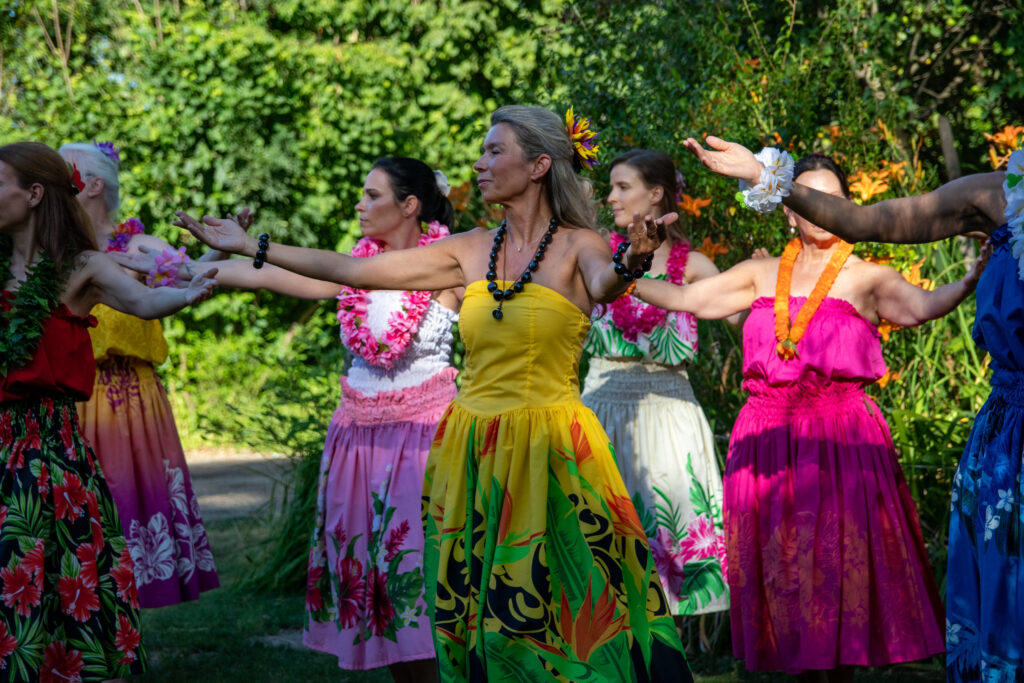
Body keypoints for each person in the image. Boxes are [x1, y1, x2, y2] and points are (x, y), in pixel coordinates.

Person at [174, 105, 692, 682]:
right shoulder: (469, 249)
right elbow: (352, 270)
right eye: (484, 150)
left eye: (496, 151)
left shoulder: (581, 246)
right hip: (472, 448)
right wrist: (252, 245)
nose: (480, 163)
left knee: (571, 602)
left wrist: (635, 255)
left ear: (540, 165)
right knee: (477, 612)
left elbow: (606, 282)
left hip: (551, 447)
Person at [635, 153, 988, 680]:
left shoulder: (866, 277)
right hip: (765, 444)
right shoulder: (759, 274)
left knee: (837, 580)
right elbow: (687, 298)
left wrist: (967, 282)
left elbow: (923, 305)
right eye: (809, 199)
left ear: (846, 209)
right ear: (788, 211)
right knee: (787, 584)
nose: (821, 211)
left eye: (833, 200)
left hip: (841, 440)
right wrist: (623, 271)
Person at [118, 157, 460, 682]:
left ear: (410, 205)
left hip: (424, 439)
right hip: (358, 440)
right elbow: (266, 276)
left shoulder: (448, 267)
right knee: (378, 586)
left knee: (422, 574)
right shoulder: (354, 268)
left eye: (372, 195)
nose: (359, 204)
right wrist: (195, 265)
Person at [0, 141, 216, 680]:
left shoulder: (81, 267)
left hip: (49, 454)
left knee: (50, 585)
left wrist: (193, 290)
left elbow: (144, 302)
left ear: (32, 193)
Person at [57, 141, 221, 608]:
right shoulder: (61, 249)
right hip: (77, 394)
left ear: (92, 185)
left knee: (130, 500)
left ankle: (123, 618)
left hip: (132, 396)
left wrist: (219, 253)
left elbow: (187, 274)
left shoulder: (137, 245)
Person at [582, 149, 729, 619]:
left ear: (656, 193)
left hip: (670, 417)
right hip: (601, 411)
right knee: (600, 551)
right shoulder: (597, 258)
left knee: (671, 543)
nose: (611, 197)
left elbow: (749, 319)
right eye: (611, 187)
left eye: (623, 186)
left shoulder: (695, 266)